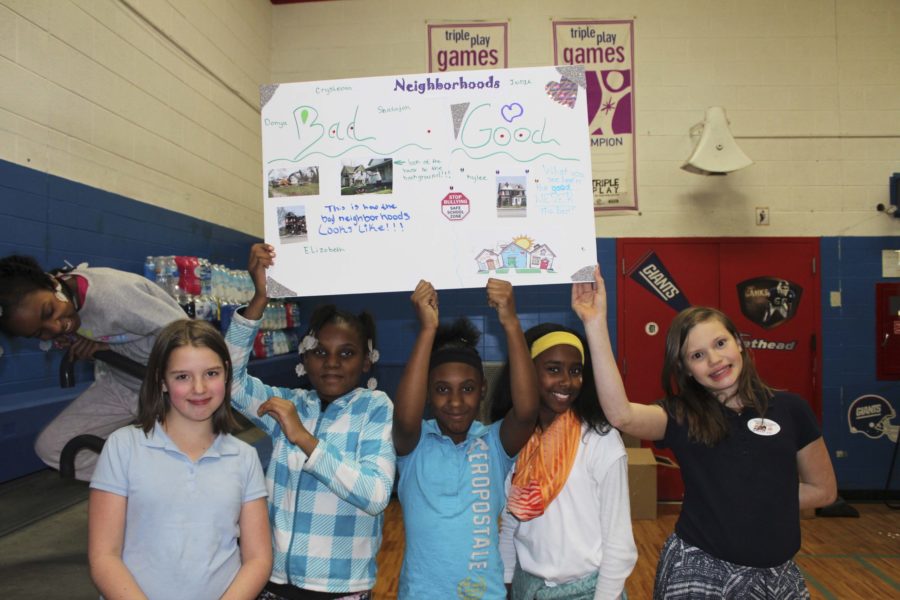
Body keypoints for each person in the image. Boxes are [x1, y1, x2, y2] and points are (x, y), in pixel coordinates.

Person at [573, 266, 837, 599]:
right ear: (685, 369)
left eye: (720, 343)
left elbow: (824, 491)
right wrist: (595, 323)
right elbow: (621, 415)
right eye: (698, 355)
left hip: (777, 576)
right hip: (699, 571)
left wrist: (758, 499)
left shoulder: (792, 409)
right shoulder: (682, 415)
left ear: (739, 343)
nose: (714, 359)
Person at [226, 243, 394, 600]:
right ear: (305, 357)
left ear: (367, 361)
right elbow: (228, 381)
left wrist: (305, 439)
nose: (331, 362)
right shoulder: (289, 404)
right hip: (272, 584)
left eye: (347, 353)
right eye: (320, 351)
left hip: (339, 587)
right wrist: (259, 300)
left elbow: (376, 494)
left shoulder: (375, 408)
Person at [88, 319, 272, 600]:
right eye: (182, 377)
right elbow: (104, 556)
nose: (199, 389)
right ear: (162, 381)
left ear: (226, 374)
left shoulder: (243, 457)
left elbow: (258, 558)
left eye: (211, 373)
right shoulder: (123, 447)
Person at [392, 279, 538, 600]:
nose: (456, 402)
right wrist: (427, 331)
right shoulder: (414, 446)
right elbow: (404, 418)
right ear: (427, 394)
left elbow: (527, 413)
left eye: (467, 389)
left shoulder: (493, 444)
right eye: (442, 389)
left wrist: (511, 323)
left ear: (482, 389)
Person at [0, 254, 186, 480]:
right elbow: (106, 336)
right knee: (54, 447)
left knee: (191, 454)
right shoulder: (63, 302)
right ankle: (145, 479)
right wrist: (94, 348)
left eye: (48, 312)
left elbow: (188, 339)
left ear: (51, 284)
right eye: (40, 332)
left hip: (169, 393)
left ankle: (169, 476)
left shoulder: (113, 296)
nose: (55, 327)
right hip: (121, 383)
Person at [493, 322, 637, 600]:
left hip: (587, 590)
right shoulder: (517, 439)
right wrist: (507, 581)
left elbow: (619, 542)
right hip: (526, 587)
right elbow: (512, 522)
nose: (567, 381)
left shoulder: (599, 440)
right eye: (553, 369)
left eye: (575, 371)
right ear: (527, 372)